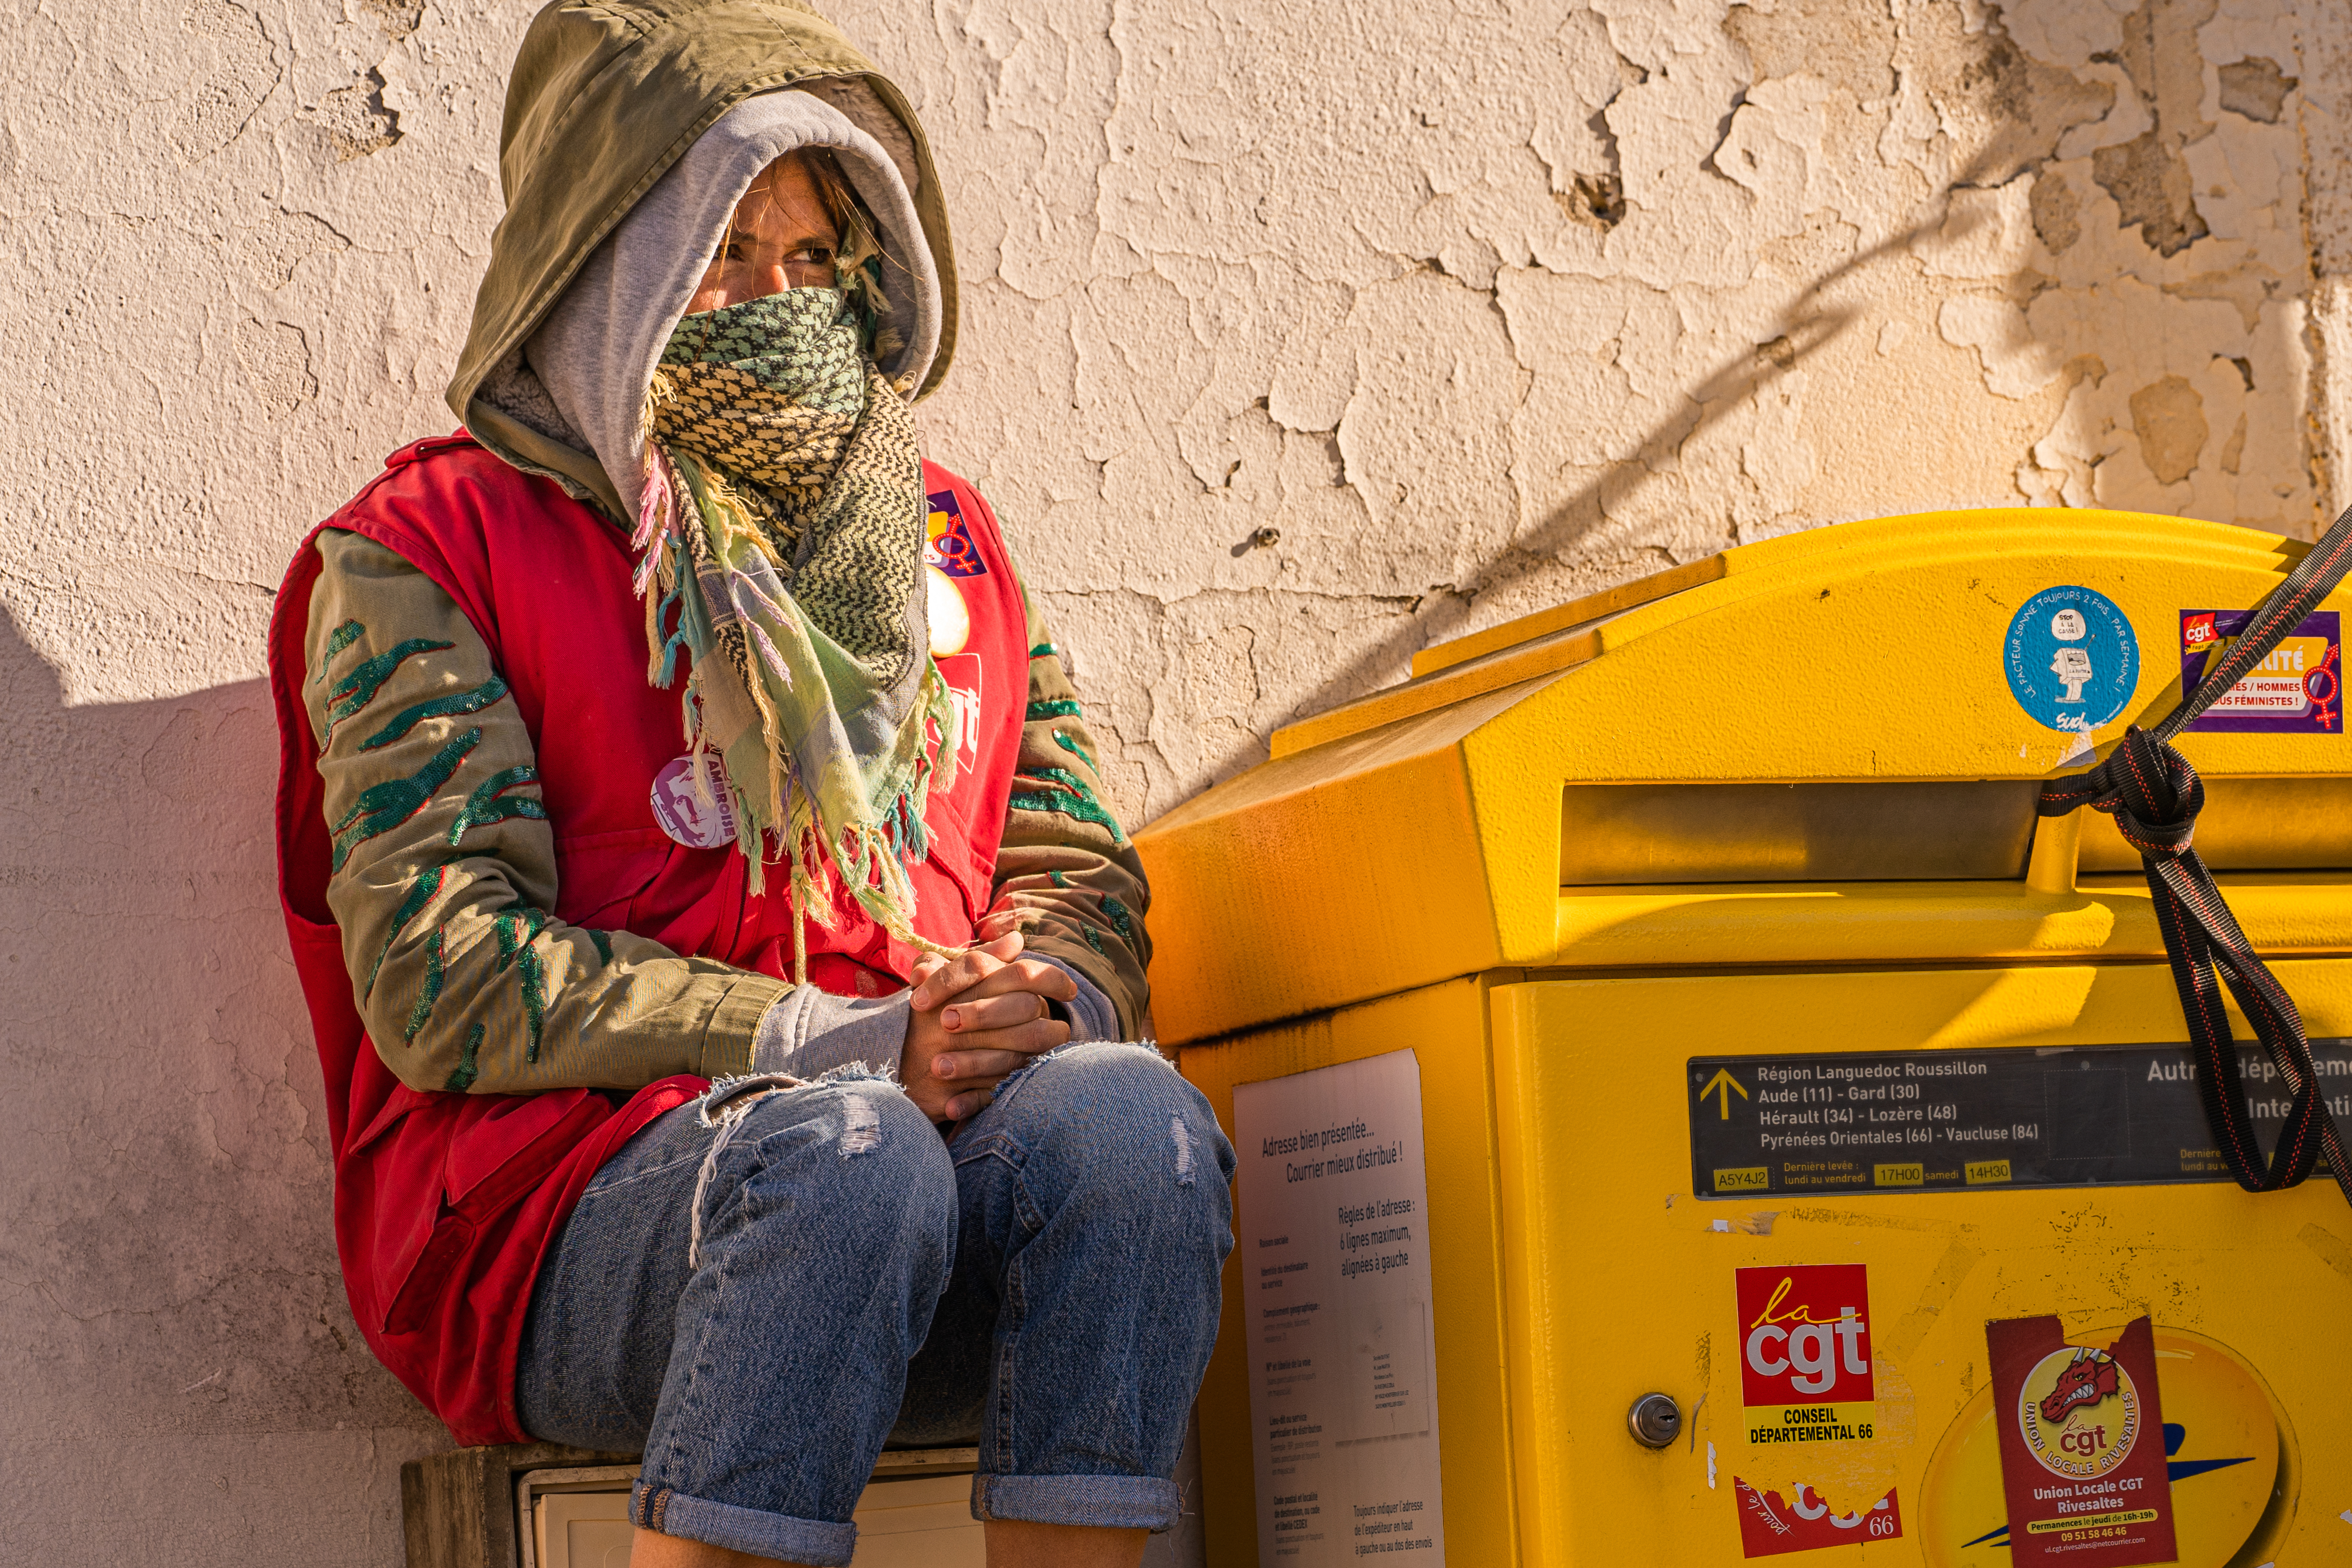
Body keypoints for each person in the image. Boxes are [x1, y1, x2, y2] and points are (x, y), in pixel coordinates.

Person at [263, 4, 1236, 1565]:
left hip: (928, 1168)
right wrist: (837, 1044)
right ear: (606, 262)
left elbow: (1063, 846)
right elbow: (441, 973)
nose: (776, 306)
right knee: (842, 1155)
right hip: (561, 1220)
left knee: (1130, 1118)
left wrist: (1036, 999)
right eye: (724, 258)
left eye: (809, 260)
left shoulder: (947, 539)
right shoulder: (429, 553)